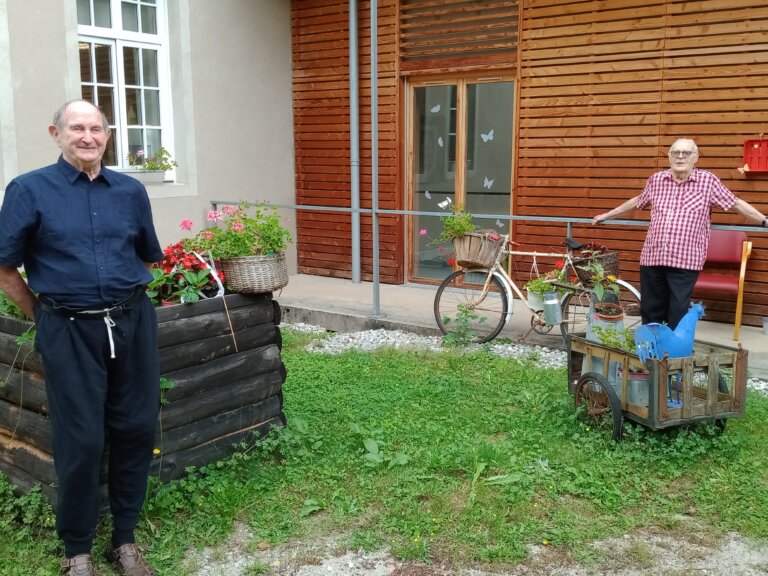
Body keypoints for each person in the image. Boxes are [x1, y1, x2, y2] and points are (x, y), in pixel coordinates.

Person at [0, 100, 164, 576]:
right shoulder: (29, 190)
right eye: (77, 128)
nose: (87, 137)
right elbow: (6, 269)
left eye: (96, 128)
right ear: (56, 133)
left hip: (131, 325)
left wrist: (121, 303)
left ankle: (126, 541)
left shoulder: (130, 191)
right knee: (81, 439)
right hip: (67, 331)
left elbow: (148, 256)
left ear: (107, 136)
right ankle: (78, 551)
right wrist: (47, 316)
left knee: (135, 427)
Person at [593, 138, 768, 330]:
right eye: (675, 153)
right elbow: (637, 201)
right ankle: (652, 352)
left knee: (678, 312)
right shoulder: (656, 180)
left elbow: (735, 203)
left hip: (685, 260)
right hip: (653, 256)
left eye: (686, 153)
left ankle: (673, 355)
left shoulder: (707, 181)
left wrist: (764, 220)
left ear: (696, 158)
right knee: (651, 310)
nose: (680, 156)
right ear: (669, 157)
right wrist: (608, 214)